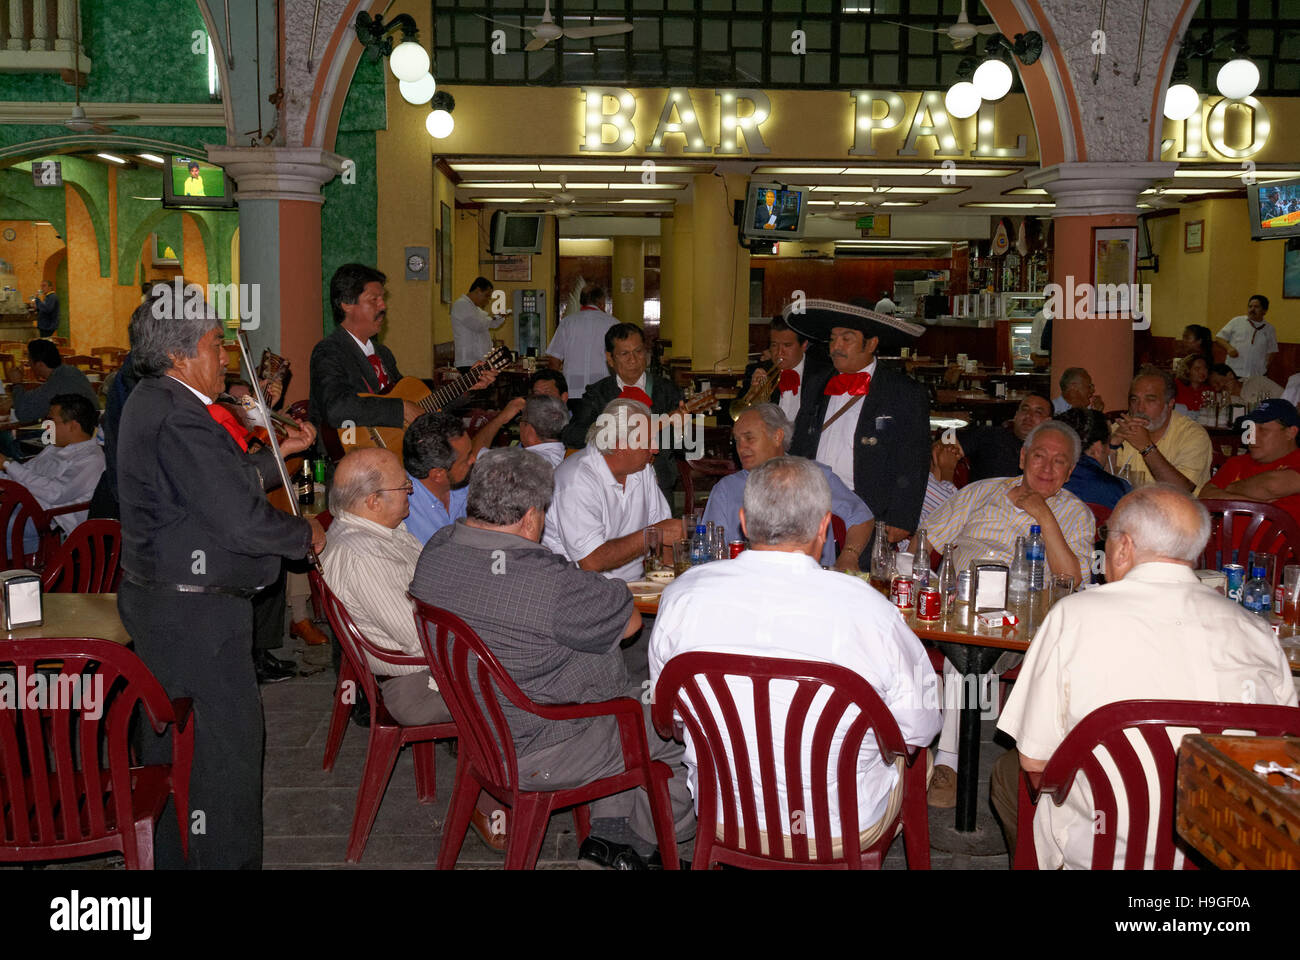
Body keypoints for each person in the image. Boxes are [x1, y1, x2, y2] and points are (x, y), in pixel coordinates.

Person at [411, 447, 696, 869]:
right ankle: (646, 844)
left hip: (485, 728)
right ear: (530, 517)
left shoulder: (438, 548)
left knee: (623, 688)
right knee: (676, 724)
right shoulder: (548, 584)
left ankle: (609, 833)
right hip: (543, 742)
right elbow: (631, 623)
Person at [116, 293, 324, 869]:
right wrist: (304, 535)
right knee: (223, 757)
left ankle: (178, 858)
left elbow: (210, 485)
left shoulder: (154, 398)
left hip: (171, 609)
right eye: (215, 345)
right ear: (181, 354)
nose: (226, 359)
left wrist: (278, 452)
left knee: (179, 750)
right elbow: (236, 519)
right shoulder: (180, 412)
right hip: (194, 618)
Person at [991, 485, 1297, 868]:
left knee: (1008, 774)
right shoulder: (1256, 629)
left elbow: (1034, 760)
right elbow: (1285, 754)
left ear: (1122, 548)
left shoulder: (1075, 615)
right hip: (1227, 849)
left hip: (1107, 851)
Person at [649, 456, 941, 855]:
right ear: (824, 527)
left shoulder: (682, 596)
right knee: (918, 756)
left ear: (745, 523)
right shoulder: (870, 610)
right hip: (839, 826)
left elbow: (672, 718)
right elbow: (920, 727)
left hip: (727, 814)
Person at [922, 420, 1096, 806]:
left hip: (1023, 626)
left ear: (1070, 472)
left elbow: (1072, 580)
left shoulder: (1076, 514)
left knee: (962, 647)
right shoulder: (981, 492)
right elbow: (925, 543)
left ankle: (949, 758)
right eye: (1039, 456)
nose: (1047, 468)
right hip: (958, 606)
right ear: (1022, 457)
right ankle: (943, 757)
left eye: (1059, 462)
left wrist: (1043, 515)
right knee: (961, 637)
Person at [320, 448, 451, 726]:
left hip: (424, 670)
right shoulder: (366, 556)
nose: (410, 491)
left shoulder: (374, 531)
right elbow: (420, 639)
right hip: (418, 687)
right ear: (373, 501)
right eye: (404, 486)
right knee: (533, 683)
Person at [787, 300, 930, 547]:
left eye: (847, 339)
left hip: (869, 512)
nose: (836, 347)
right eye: (833, 339)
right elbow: (801, 443)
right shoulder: (817, 383)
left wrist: (901, 518)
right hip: (811, 505)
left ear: (871, 343)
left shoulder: (903, 392)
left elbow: (914, 459)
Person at [702, 404, 872, 571]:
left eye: (749, 438)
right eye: (737, 440)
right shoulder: (726, 489)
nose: (741, 447)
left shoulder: (814, 476)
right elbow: (708, 551)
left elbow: (861, 517)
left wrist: (849, 556)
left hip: (812, 584)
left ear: (777, 437)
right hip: (749, 584)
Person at [545, 397, 684, 582]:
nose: (655, 449)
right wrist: (650, 534)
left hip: (633, 588)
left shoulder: (641, 470)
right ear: (620, 445)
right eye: (648, 441)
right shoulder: (576, 481)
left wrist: (671, 582)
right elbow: (592, 561)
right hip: (577, 590)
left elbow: (665, 535)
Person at [561, 323, 685, 498]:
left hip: (657, 485)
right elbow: (570, 434)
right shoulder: (598, 393)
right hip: (608, 485)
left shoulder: (667, 390)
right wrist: (612, 431)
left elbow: (686, 447)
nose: (633, 360)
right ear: (610, 359)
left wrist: (678, 428)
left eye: (638, 351)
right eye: (624, 354)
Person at [0, 393, 104, 552]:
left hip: (50, 521)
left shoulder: (91, 459)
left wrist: (8, 464)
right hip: (24, 509)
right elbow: (21, 476)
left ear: (73, 426)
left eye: (51, 421)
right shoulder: (52, 449)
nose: (46, 426)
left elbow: (57, 493)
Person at [1111, 365, 1212, 493]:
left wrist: (1146, 447)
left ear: (1170, 403)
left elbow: (1182, 491)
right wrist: (1111, 446)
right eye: (1134, 400)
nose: (1140, 409)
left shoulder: (1193, 435)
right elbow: (1097, 483)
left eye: (1150, 400)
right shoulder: (1119, 429)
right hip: (1127, 508)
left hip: (1176, 511)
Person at [1199, 398, 1300, 527]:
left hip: (1279, 547)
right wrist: (1263, 508)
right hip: (1224, 546)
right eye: (1249, 429)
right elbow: (1206, 496)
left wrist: (1230, 489)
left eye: (1263, 430)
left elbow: (1272, 486)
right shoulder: (1237, 462)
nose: (1250, 437)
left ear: (1290, 432)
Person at [403, 411, 475, 545]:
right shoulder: (402, 510)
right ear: (438, 474)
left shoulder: (468, 482)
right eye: (466, 459)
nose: (473, 460)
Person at [956, 393, 1052, 482]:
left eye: (1038, 412)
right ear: (1016, 415)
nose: (1028, 415)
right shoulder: (989, 435)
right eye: (1024, 409)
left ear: (1048, 422)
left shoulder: (1053, 451)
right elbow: (947, 445)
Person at [544, 285, 618, 399]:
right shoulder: (613, 323)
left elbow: (554, 360)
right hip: (603, 390)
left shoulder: (567, 322)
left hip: (571, 391)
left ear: (581, 302)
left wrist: (555, 390)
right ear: (601, 303)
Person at [754, 315, 830, 426]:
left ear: (804, 345)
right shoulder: (760, 370)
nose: (779, 353)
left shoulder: (823, 375)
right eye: (774, 345)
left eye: (787, 345)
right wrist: (755, 396)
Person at [1055, 407, 1131, 510]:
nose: (1109, 450)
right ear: (1097, 448)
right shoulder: (1116, 489)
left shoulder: (1045, 476)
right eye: (1108, 444)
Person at [12, 339, 98, 423]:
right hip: (91, 428)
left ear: (40, 365)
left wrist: (17, 383)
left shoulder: (58, 381)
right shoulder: (71, 371)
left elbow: (23, 414)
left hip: (81, 433)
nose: (29, 365)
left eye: (29, 361)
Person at [1215, 294, 1277, 380]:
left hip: (1256, 375)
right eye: (1250, 306)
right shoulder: (1237, 321)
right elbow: (1219, 338)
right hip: (1234, 372)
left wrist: (1264, 368)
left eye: (1256, 307)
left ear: (1264, 311)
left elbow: (1272, 351)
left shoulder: (1269, 329)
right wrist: (1229, 348)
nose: (1252, 309)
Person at [450, 276, 505, 371]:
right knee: (476, 386)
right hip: (467, 360)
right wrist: (491, 318)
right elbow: (478, 325)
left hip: (479, 360)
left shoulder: (476, 309)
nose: (487, 300)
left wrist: (500, 317)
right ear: (478, 290)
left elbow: (491, 324)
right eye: (486, 295)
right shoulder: (461, 304)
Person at [518, 394, 569, 467]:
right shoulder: (571, 456)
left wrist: (500, 420)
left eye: (521, 420)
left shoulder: (524, 463)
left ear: (530, 429)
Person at [1209, 362, 1281, 410]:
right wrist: (1227, 396)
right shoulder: (1219, 398)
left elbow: (1283, 396)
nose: (1217, 388)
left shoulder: (1257, 381)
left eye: (1217, 382)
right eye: (1214, 386)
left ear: (1230, 375)